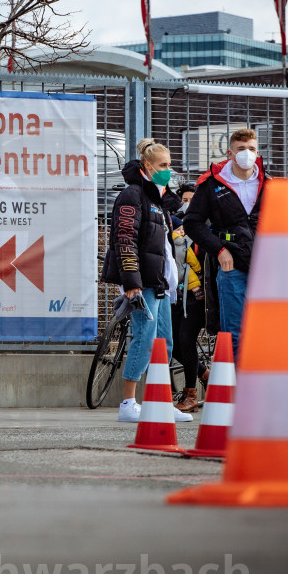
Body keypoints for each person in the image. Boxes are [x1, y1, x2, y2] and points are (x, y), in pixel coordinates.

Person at [101, 139, 192, 423]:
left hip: (159, 282)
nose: (168, 170)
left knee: (165, 341)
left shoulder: (159, 201)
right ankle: (128, 403)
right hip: (142, 282)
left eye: (169, 165)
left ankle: (159, 402)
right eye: (163, 166)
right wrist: (131, 281)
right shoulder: (132, 195)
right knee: (145, 337)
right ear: (147, 166)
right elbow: (124, 239)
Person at [182, 128, 269, 357]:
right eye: (241, 149)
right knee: (235, 337)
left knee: (265, 334)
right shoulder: (212, 184)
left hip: (266, 270)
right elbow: (192, 223)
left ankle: (260, 390)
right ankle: (236, 391)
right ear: (230, 153)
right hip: (233, 270)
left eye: (251, 149)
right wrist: (219, 250)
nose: (247, 154)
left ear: (257, 152)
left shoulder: (268, 184)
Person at [171, 183, 208, 412]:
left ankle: (191, 393)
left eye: (192, 200)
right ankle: (205, 373)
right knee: (173, 344)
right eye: (184, 199)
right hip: (176, 294)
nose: (188, 204)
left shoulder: (205, 227)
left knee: (186, 340)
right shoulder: (173, 226)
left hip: (198, 296)